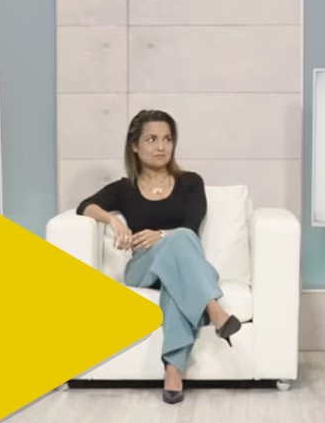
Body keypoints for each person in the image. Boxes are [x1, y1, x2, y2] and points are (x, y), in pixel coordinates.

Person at [77, 109, 242, 404]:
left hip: (178, 267)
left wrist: (162, 235)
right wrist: (112, 221)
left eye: (167, 139)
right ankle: (215, 311)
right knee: (180, 240)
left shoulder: (191, 182)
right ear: (135, 145)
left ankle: (173, 371)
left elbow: (191, 226)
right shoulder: (124, 188)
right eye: (151, 139)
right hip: (142, 268)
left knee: (178, 261)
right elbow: (85, 206)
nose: (161, 147)